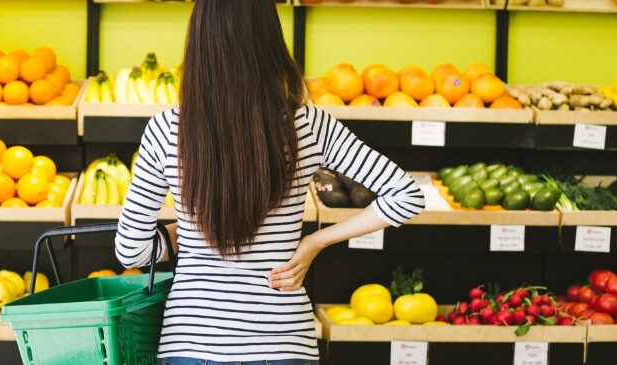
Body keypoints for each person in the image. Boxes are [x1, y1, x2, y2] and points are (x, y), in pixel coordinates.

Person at [115, 1, 425, 364]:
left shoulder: (167, 129)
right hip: (283, 343)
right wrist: (314, 243)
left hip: (191, 344)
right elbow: (407, 195)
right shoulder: (307, 124)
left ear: (199, 45)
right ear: (269, 43)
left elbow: (131, 251)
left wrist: (185, 231)